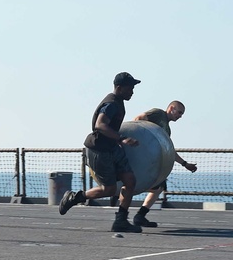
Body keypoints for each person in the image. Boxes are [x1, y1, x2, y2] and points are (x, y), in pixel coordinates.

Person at [59, 72, 143, 233]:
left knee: (130, 181)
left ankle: (121, 220)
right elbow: (100, 124)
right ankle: (75, 197)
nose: (132, 91)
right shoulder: (111, 104)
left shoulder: (118, 102)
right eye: (129, 88)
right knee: (109, 189)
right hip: (100, 150)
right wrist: (122, 138)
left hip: (112, 148)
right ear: (119, 88)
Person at [131, 101, 198, 227]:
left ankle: (140, 216)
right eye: (179, 112)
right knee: (133, 185)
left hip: (151, 161)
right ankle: (125, 213)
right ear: (171, 108)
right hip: (142, 158)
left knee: (159, 187)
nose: (180, 116)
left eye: (182, 114)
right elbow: (138, 119)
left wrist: (185, 164)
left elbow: (168, 150)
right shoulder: (158, 114)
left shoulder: (167, 129)